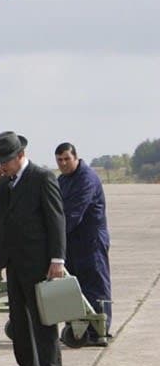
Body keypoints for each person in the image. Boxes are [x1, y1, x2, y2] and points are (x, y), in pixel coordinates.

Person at [0, 132, 67, 366]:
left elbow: (56, 220)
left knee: (43, 320)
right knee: (18, 320)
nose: (1, 166)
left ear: (20, 156)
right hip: (13, 261)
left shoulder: (41, 178)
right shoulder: (4, 182)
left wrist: (57, 259)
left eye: (5, 161)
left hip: (39, 262)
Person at [55, 142, 112, 345]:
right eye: (59, 160)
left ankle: (99, 330)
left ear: (76, 158)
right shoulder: (62, 180)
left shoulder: (86, 178)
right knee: (74, 285)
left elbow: (73, 213)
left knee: (95, 285)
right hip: (72, 240)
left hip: (91, 240)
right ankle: (79, 325)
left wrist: (52, 235)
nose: (63, 163)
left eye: (66, 159)